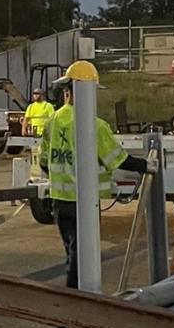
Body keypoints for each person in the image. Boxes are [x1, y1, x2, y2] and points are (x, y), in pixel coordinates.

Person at [39, 65, 148, 289]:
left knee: (72, 252)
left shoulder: (52, 121)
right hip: (85, 203)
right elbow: (119, 160)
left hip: (59, 199)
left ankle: (76, 300)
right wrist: (147, 165)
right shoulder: (95, 126)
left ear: (67, 92)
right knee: (82, 257)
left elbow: (44, 161)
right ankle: (77, 304)